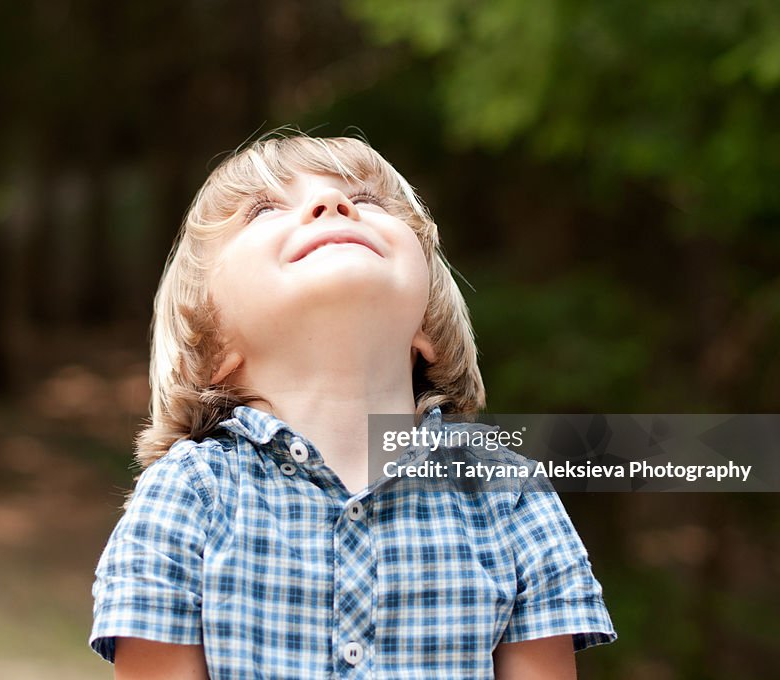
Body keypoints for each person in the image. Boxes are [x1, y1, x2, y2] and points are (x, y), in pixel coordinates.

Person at [89, 132, 616, 679]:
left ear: (428, 325)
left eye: (367, 201)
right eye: (265, 208)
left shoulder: (511, 501)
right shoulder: (188, 497)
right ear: (213, 342)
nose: (332, 206)